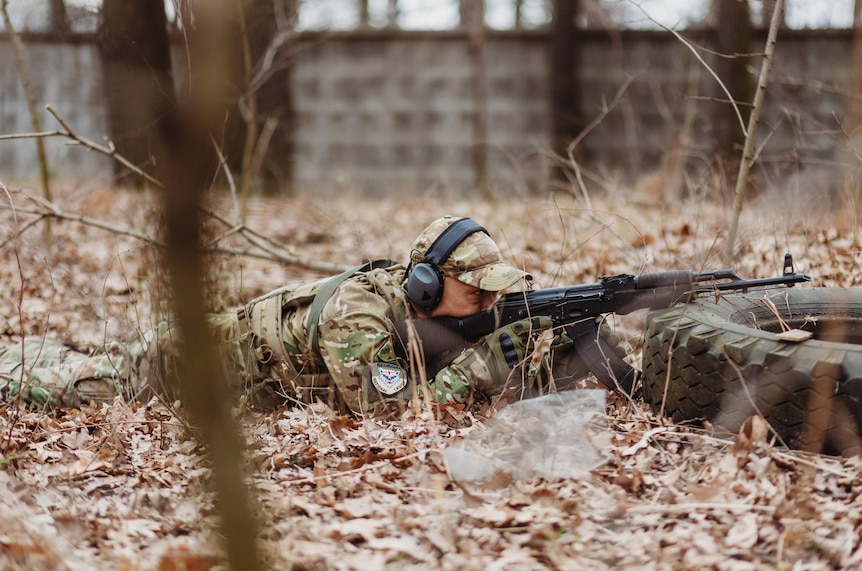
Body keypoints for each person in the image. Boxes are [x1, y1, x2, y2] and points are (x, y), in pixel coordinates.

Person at [0, 216, 618, 414]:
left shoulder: (436, 310)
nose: (490, 305)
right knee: (58, 382)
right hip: (188, 369)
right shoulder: (358, 314)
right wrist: (483, 361)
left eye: (495, 295)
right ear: (426, 287)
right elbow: (387, 412)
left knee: (79, 361)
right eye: (478, 293)